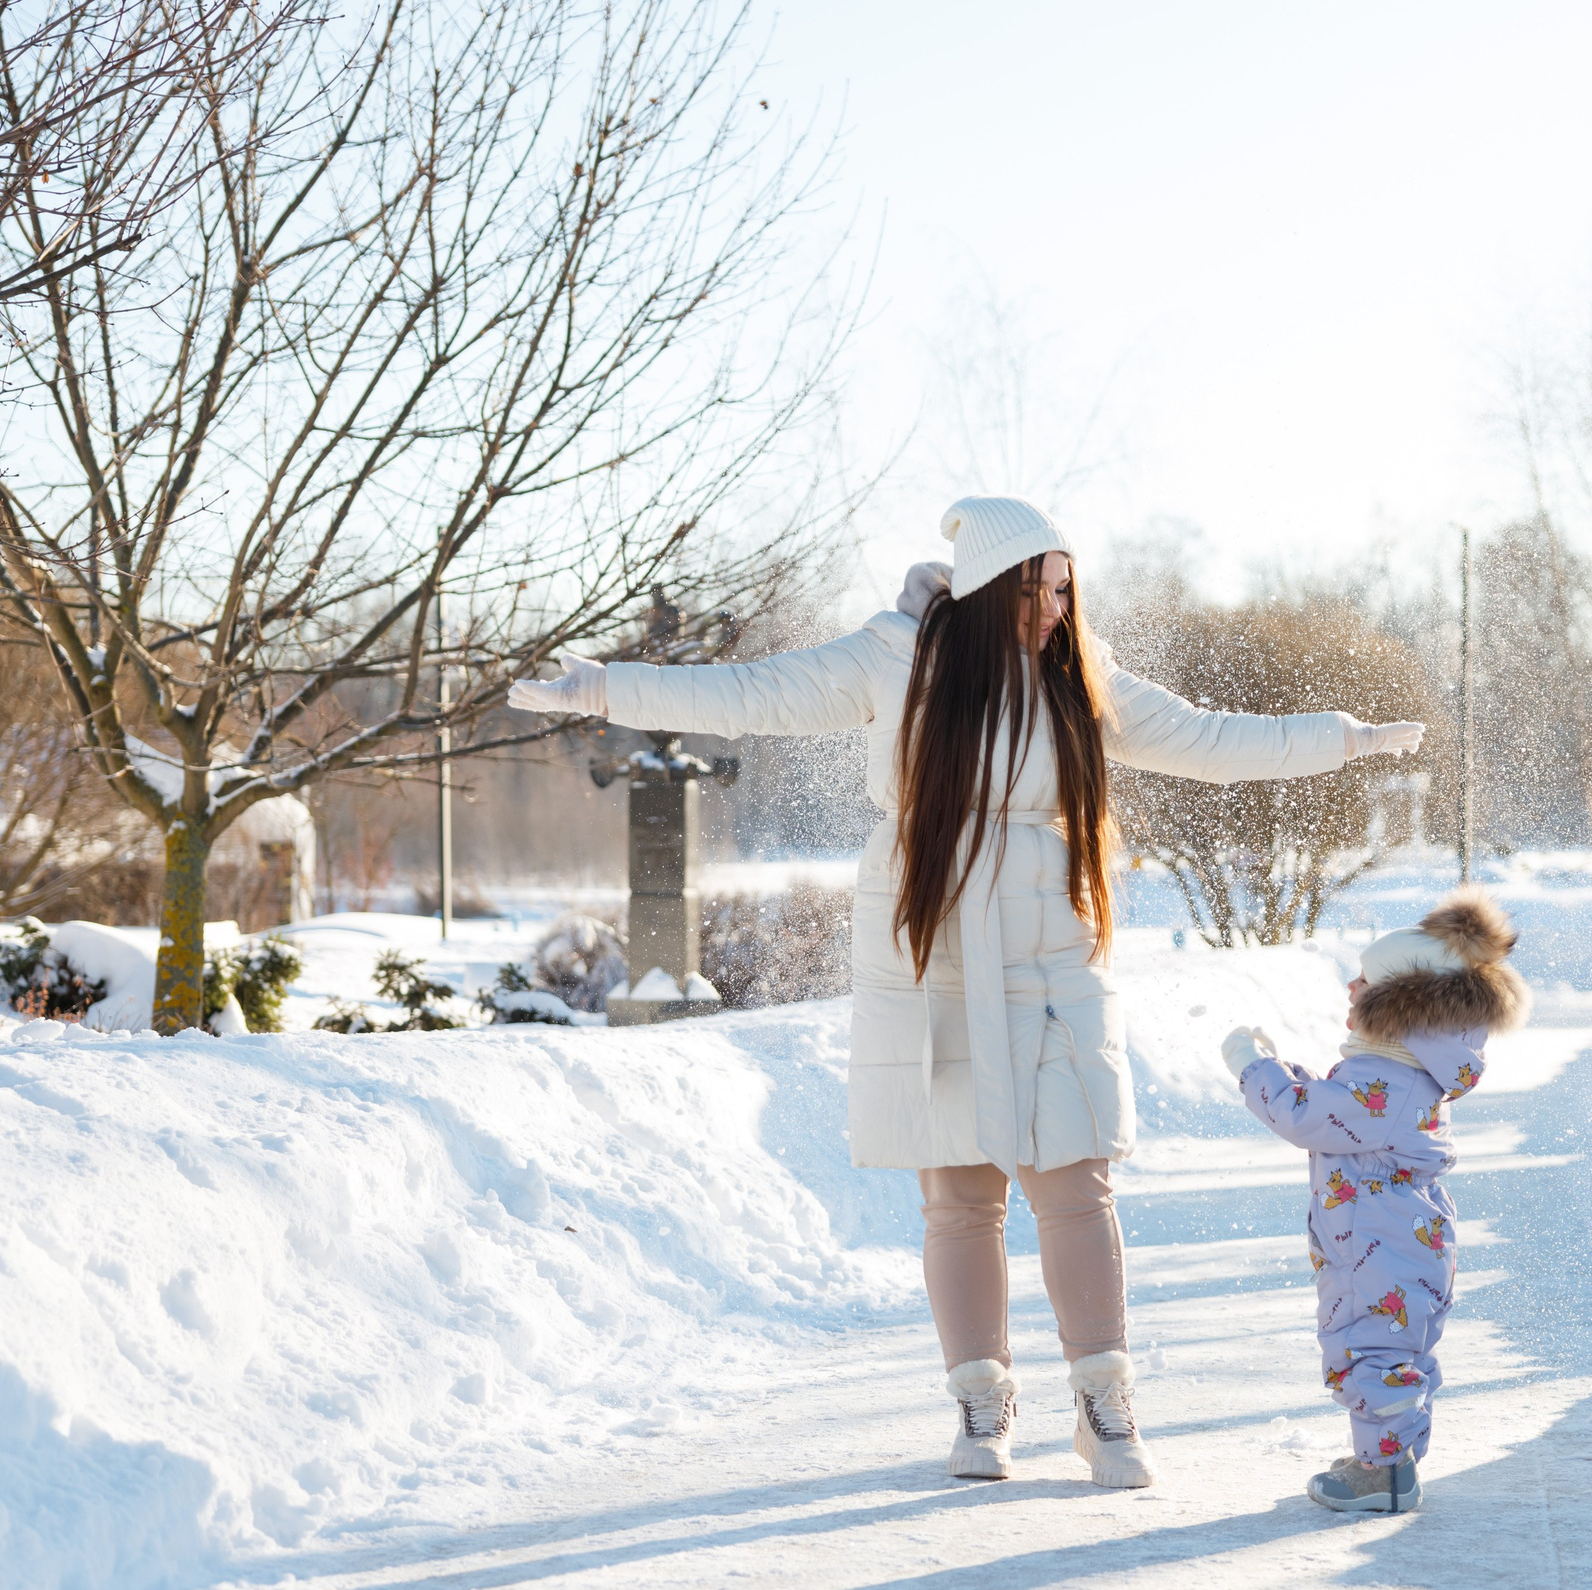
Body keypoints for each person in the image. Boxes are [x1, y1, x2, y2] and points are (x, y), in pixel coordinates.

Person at [511, 496, 1426, 1487]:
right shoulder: (894, 658)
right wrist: (605, 688)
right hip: (928, 942)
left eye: (1064, 590)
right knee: (956, 1191)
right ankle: (980, 1406)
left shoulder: (1081, 675)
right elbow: (751, 695)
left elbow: (1204, 740)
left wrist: (1344, 738)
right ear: (992, 588)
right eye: (1035, 591)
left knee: (1074, 1179)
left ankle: (1103, 1405)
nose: (1051, 609)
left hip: (1051, 947)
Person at [1220, 885, 1525, 1513]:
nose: (1351, 989)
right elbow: (1340, 1114)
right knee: (1396, 1355)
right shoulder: (1404, 1077)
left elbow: (1306, 1116)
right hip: (1391, 1241)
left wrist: (1256, 1068)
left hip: (1376, 1248)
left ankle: (1383, 1475)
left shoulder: (1385, 1081)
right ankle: (1390, 1457)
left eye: (1366, 981)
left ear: (1401, 1006)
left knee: (1368, 1353)